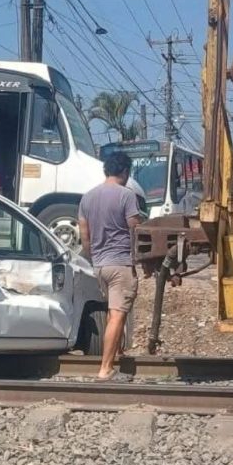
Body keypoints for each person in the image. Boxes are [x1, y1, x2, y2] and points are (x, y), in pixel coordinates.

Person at [78, 152, 143, 381]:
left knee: (112, 312)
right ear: (125, 171)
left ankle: (116, 353)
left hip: (100, 265)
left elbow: (84, 236)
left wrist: (93, 256)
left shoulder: (87, 197)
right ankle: (105, 369)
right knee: (117, 315)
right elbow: (135, 228)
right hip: (120, 263)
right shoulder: (127, 196)